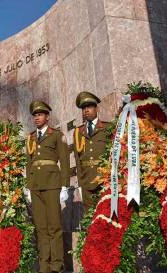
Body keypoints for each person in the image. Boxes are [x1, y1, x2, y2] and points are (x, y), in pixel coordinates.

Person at [26, 101, 69, 273]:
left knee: (54, 226)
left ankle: (57, 265)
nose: (37, 118)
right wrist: (28, 187)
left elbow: (64, 162)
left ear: (47, 117)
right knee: (41, 227)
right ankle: (44, 265)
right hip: (35, 186)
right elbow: (29, 164)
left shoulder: (56, 135)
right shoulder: (30, 138)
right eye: (35, 115)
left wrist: (65, 186)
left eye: (40, 114)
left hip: (52, 185)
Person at [73, 91, 110, 213]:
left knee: (106, 213)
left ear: (96, 108)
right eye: (83, 108)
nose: (86, 110)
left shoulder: (107, 128)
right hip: (86, 180)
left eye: (89, 107)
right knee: (89, 216)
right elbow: (78, 159)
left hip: (104, 179)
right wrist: (80, 181)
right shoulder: (79, 132)